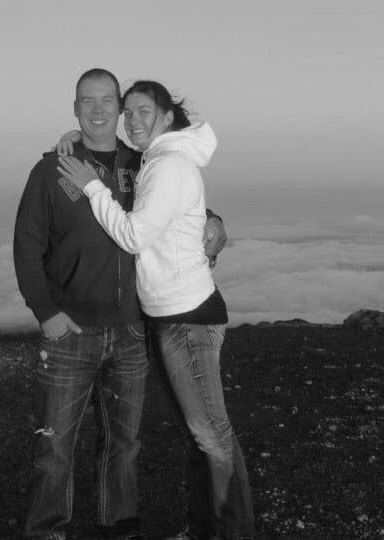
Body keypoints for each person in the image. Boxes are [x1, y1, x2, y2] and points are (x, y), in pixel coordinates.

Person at [13, 69, 227, 540]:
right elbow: (27, 247)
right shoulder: (52, 169)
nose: (97, 110)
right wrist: (47, 313)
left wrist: (214, 221)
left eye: (107, 100)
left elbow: (174, 205)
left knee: (124, 443)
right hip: (70, 330)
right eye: (86, 102)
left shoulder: (143, 160)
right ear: (74, 109)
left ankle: (120, 528)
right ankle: (47, 530)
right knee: (54, 447)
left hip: (131, 329)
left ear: (119, 107)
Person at [57, 80, 255, 540]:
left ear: (167, 118)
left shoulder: (167, 163)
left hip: (187, 320)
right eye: (128, 112)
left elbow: (133, 236)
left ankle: (234, 532)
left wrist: (91, 188)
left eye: (143, 111)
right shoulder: (157, 159)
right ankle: (206, 529)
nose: (132, 119)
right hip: (173, 316)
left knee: (213, 437)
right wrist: (71, 139)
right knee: (199, 436)